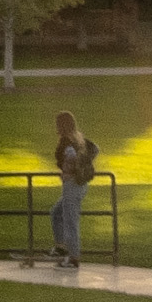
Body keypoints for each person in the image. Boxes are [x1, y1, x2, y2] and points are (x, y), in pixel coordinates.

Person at [49, 108, 99, 267]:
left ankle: (73, 258)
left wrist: (70, 169)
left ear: (62, 125)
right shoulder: (79, 137)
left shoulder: (67, 141)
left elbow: (71, 156)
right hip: (80, 185)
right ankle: (61, 247)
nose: (56, 127)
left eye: (58, 124)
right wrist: (81, 165)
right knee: (56, 212)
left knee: (70, 221)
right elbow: (95, 148)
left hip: (72, 185)